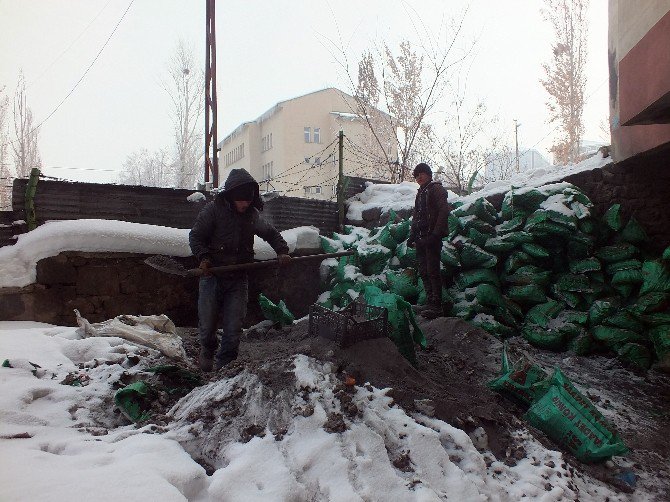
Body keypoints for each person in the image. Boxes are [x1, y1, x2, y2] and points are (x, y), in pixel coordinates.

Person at [189, 168, 291, 371]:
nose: (245, 204)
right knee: (207, 326)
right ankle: (208, 351)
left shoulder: (251, 216)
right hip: (213, 276)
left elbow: (270, 233)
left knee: (233, 328)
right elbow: (196, 236)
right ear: (232, 196)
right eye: (242, 200)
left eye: (249, 200)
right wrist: (204, 258)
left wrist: (282, 251)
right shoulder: (213, 211)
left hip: (238, 279)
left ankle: (225, 367)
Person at [407, 162, 451, 319]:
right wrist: (412, 235)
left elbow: (444, 211)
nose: (419, 177)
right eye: (416, 175)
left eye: (421, 174)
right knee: (424, 271)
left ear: (429, 174)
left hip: (432, 237)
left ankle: (437, 305)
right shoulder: (420, 193)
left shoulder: (436, 189)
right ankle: (430, 302)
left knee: (433, 271)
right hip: (421, 238)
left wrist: (436, 234)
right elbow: (416, 216)